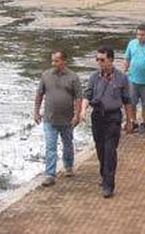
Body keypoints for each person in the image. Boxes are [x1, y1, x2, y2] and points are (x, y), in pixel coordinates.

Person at [80, 46, 130, 198]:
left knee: (110, 151)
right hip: (97, 116)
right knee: (100, 149)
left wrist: (130, 120)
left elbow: (127, 100)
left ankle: (109, 185)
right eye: (97, 60)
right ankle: (104, 174)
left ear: (111, 60)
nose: (99, 62)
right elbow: (87, 95)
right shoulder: (94, 77)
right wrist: (83, 110)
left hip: (113, 117)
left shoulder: (121, 77)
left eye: (102, 60)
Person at [34, 50, 82, 187]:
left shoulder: (73, 77)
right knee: (50, 147)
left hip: (67, 120)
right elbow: (39, 95)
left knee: (67, 144)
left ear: (64, 61)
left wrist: (77, 115)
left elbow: (79, 97)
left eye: (56, 61)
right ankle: (50, 174)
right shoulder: (46, 75)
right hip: (49, 119)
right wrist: (36, 112)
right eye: (52, 61)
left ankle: (68, 166)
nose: (53, 63)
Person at [123, 24, 145, 134]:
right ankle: (133, 121)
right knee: (131, 102)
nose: (139, 37)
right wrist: (124, 72)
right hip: (133, 79)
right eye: (138, 34)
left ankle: (143, 122)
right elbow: (127, 59)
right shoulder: (132, 44)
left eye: (142, 35)